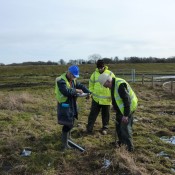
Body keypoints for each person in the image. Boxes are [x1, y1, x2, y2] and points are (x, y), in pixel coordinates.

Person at [98, 73, 138, 152]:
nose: (105, 87)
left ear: (108, 81)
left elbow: (127, 100)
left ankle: (129, 149)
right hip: (121, 109)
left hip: (128, 109)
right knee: (118, 126)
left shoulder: (119, 85)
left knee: (125, 128)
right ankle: (121, 143)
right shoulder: (113, 84)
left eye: (105, 85)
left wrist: (126, 115)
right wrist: (115, 106)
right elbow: (117, 97)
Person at [55, 65, 91, 150]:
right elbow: (65, 92)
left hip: (72, 103)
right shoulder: (60, 80)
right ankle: (64, 144)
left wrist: (88, 92)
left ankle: (69, 138)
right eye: (73, 76)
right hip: (64, 104)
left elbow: (80, 86)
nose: (74, 78)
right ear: (69, 73)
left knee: (72, 120)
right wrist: (76, 90)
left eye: (75, 76)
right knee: (67, 123)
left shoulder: (73, 80)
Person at [86, 60, 115, 135]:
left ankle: (105, 128)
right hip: (96, 99)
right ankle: (89, 128)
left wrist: (113, 96)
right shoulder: (94, 74)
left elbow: (113, 85)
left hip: (106, 100)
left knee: (106, 115)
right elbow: (91, 85)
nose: (100, 69)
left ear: (104, 66)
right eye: (98, 68)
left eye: (101, 67)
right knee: (92, 114)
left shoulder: (110, 73)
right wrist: (91, 93)